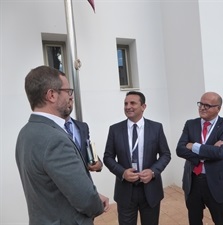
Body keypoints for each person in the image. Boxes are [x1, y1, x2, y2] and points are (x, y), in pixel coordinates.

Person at [15, 65, 109, 225]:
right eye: (68, 91)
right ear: (51, 95)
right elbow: (86, 200)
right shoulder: (55, 139)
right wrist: (95, 204)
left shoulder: (25, 132)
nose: (71, 97)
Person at [103, 91, 171, 225]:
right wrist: (122, 172)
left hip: (150, 189)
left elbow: (165, 154)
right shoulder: (115, 129)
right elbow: (108, 157)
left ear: (143, 106)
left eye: (132, 103)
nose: (128, 106)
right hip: (125, 191)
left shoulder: (156, 128)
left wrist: (153, 172)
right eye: (125, 103)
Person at [176, 92, 223, 225]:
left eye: (208, 105)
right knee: (194, 219)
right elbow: (180, 149)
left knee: (220, 219)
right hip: (193, 180)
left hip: (216, 182)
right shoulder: (190, 124)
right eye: (201, 104)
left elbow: (222, 152)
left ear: (218, 108)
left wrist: (193, 145)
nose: (202, 108)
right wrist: (210, 151)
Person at [64, 104, 103, 173]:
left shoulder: (83, 126)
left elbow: (87, 148)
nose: (68, 102)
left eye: (70, 99)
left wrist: (98, 163)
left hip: (84, 179)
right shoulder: (51, 128)